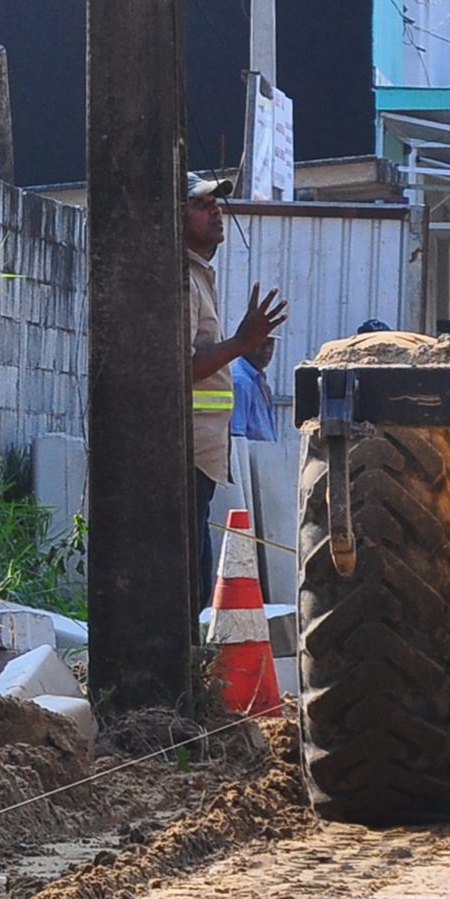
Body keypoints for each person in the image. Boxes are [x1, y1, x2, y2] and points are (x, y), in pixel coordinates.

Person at [185, 170, 285, 593]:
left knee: (198, 578)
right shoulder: (181, 281)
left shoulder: (199, 276)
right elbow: (178, 368)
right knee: (189, 581)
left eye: (217, 203)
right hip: (181, 459)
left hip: (200, 462)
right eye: (203, 204)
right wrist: (243, 341)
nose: (217, 211)